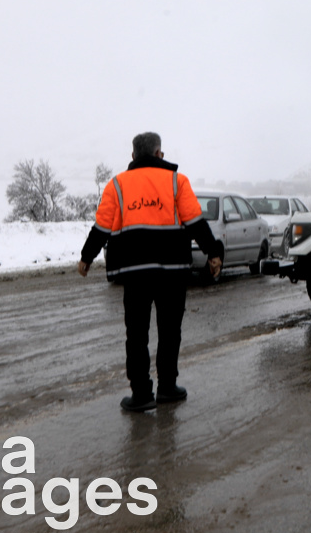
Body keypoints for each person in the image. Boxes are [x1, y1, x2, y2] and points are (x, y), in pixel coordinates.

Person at [77, 132, 223, 411]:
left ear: (133, 157)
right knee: (170, 332)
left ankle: (141, 394)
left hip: (133, 273)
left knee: (136, 334)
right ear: (159, 154)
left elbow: (102, 227)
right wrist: (213, 253)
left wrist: (86, 257)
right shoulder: (177, 181)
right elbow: (195, 222)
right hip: (172, 271)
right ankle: (168, 387)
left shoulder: (117, 184)